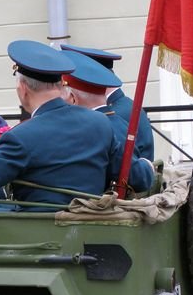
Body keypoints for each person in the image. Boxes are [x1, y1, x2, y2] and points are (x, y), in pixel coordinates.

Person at [0, 40, 119, 210]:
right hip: (93, 223)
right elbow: (127, 174)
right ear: (61, 85)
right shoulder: (101, 122)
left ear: (23, 88)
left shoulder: (20, 137)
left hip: (40, 229)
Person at [61, 50, 154, 193]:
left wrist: (146, 167)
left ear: (73, 98)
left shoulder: (105, 123)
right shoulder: (112, 117)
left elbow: (135, 176)